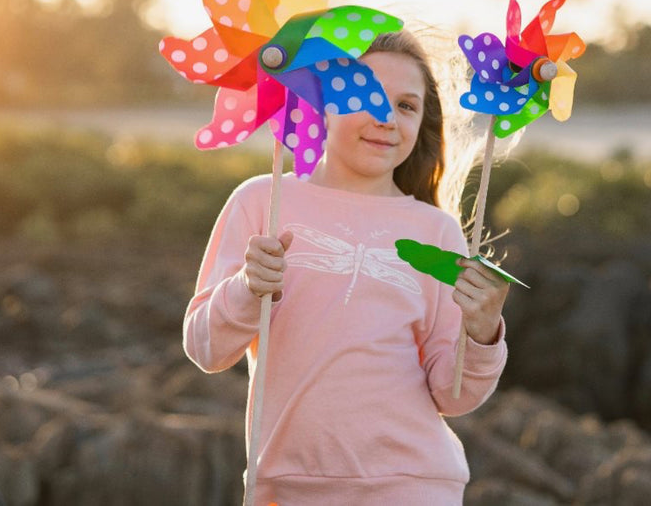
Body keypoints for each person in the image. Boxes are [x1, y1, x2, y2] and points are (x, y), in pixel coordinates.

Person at [184, 29, 511, 505]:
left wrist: (482, 335)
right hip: (287, 487)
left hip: (414, 485)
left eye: (406, 106)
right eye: (367, 94)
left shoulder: (435, 231)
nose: (386, 117)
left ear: (422, 122)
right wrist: (246, 289)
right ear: (321, 100)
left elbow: (453, 394)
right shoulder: (263, 202)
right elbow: (205, 348)